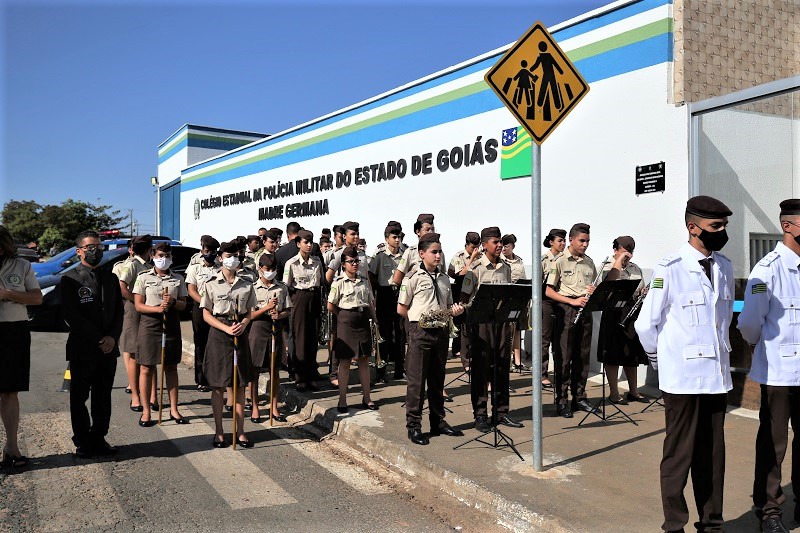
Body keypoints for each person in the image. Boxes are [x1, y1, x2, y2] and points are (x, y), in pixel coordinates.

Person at [634, 195, 734, 533]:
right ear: (693, 227)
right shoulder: (670, 267)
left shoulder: (724, 266)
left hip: (716, 378)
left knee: (713, 458)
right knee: (679, 456)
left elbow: (721, 322)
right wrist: (659, 361)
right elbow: (645, 324)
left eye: (723, 226)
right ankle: (674, 525)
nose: (721, 232)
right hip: (682, 379)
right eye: (715, 226)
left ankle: (712, 524)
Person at [737, 199, 800, 533]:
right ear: (787, 226)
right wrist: (760, 347)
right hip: (779, 371)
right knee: (774, 444)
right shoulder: (768, 269)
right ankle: (769, 510)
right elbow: (749, 322)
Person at [398, 233, 465, 445]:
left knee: (437, 380)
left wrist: (455, 311)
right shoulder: (412, 277)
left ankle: (438, 421)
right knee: (417, 382)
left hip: (441, 332)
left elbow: (448, 306)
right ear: (421, 254)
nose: (438, 256)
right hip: (421, 331)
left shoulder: (444, 278)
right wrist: (418, 323)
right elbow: (401, 308)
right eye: (434, 252)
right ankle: (413, 426)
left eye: (440, 252)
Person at [62, 230, 123, 458]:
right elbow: (72, 316)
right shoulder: (70, 279)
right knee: (79, 398)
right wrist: (99, 338)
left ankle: (99, 437)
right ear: (79, 251)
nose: (95, 250)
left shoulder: (110, 277)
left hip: (108, 349)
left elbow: (119, 312)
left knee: (103, 396)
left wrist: (112, 337)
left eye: (98, 246)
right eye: (90, 247)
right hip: (82, 349)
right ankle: (83, 441)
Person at [461, 227, 523, 432]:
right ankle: (480, 414)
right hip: (481, 325)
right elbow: (464, 298)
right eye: (495, 242)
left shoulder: (506, 267)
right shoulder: (475, 268)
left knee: (502, 367)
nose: (499, 245)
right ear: (484, 244)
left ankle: (501, 412)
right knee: (481, 370)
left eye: (500, 242)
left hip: (502, 324)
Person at [201, 240, 257, 448]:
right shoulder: (211, 283)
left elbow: (249, 312)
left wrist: (244, 324)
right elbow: (206, 314)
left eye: (235, 256)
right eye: (227, 256)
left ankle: (240, 431)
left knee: (240, 384)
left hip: (239, 332)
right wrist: (225, 329)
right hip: (219, 333)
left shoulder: (247, 283)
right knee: (218, 386)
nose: (231, 260)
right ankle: (219, 432)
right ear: (220, 258)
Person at [545, 223, 599, 418]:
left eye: (587, 241)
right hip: (566, 310)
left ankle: (580, 397)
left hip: (585, 310)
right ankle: (561, 400)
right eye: (582, 241)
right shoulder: (559, 261)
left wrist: (593, 291)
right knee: (564, 357)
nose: (585, 245)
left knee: (582, 357)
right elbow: (548, 291)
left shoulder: (589, 262)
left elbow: (595, 286)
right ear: (571, 240)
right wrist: (571, 301)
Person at [133, 242, 189, 426]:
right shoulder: (143, 277)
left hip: (171, 324)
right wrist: (157, 309)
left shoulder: (178, 278)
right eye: (160, 256)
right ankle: (146, 411)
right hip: (150, 325)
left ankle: (174, 409)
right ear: (153, 256)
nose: (164, 259)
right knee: (146, 367)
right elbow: (138, 305)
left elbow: (183, 304)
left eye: (167, 256)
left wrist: (173, 302)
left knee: (171, 367)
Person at [0, 226, 42, 468]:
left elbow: (36, 297)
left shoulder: (21, 266)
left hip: (13, 330)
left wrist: (8, 293)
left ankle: (12, 447)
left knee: (9, 391)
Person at [596, 236, 648, 405]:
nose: (628, 256)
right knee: (613, 353)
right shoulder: (606, 266)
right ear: (616, 250)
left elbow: (639, 288)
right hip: (613, 313)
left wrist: (643, 293)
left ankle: (633, 391)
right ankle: (614, 393)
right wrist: (618, 262)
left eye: (631, 252)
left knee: (630, 353)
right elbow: (609, 284)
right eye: (625, 252)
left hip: (631, 313)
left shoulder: (635, 268)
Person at [328, 246, 378, 412]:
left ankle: (367, 398)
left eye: (357, 261)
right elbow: (331, 305)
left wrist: (375, 320)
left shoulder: (364, 280)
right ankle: (342, 400)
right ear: (343, 264)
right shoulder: (339, 282)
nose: (355, 264)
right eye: (351, 262)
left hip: (362, 320)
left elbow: (370, 302)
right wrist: (344, 316)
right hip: (346, 322)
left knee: (364, 360)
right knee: (345, 361)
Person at [113, 234, 155, 410]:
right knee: (133, 353)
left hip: (148, 310)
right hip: (134, 310)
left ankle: (152, 395)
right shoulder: (132, 264)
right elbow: (122, 287)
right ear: (148, 249)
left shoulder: (149, 265)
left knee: (149, 353)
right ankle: (135, 396)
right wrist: (136, 301)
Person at [248, 254, 291, 423]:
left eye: (273, 269)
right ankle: (255, 407)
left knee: (275, 370)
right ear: (260, 269)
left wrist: (279, 315)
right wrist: (266, 308)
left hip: (275, 328)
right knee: (254, 370)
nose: (271, 272)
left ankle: (274, 407)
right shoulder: (253, 288)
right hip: (258, 329)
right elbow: (249, 314)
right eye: (268, 269)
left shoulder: (281, 287)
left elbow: (288, 309)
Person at [284, 229, 324, 391]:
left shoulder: (317, 261)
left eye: (311, 242)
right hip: (299, 298)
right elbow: (286, 286)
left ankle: (311, 374)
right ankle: (300, 376)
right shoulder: (291, 263)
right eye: (305, 242)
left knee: (313, 337)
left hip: (314, 298)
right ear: (298, 244)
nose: (309, 245)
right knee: (300, 338)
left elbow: (321, 282)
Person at [368, 221, 406, 383]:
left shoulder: (405, 254)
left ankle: (399, 370)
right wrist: (376, 294)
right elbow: (371, 275)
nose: (397, 240)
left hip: (400, 294)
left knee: (400, 333)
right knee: (383, 334)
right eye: (394, 237)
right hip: (385, 294)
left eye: (399, 237)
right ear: (386, 239)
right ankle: (381, 371)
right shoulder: (380, 255)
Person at [185, 236, 220, 392]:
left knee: (216, 343)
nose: (209, 254)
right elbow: (191, 290)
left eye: (212, 251)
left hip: (217, 309)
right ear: (202, 251)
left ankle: (216, 377)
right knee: (201, 343)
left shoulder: (221, 268)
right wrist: (205, 303)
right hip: (200, 308)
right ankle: (202, 379)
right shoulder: (195, 268)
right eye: (207, 251)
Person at [448, 231, 481, 370]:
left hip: (474, 290)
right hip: (460, 289)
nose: (475, 249)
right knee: (460, 322)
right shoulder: (459, 256)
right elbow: (461, 273)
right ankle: (459, 350)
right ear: (467, 245)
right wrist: (472, 258)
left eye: (477, 246)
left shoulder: (481, 255)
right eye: (473, 247)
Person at [540, 228, 566, 388]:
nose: (563, 243)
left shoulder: (565, 259)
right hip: (547, 302)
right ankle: (542, 374)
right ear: (551, 242)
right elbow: (538, 285)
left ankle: (559, 372)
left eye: (564, 241)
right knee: (545, 339)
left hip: (562, 301)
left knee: (560, 340)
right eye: (559, 241)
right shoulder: (544, 260)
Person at [501, 234, 529, 372]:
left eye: (506, 246)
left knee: (517, 329)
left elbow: (523, 279)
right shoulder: (500, 260)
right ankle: (507, 360)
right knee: (506, 330)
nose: (503, 248)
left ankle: (517, 360)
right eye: (502, 245)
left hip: (518, 299)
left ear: (513, 246)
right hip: (505, 299)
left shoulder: (519, 261)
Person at [392, 213, 436, 286]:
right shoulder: (411, 252)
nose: (431, 232)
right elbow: (397, 279)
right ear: (418, 232)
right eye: (427, 230)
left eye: (433, 229)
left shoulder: (439, 253)